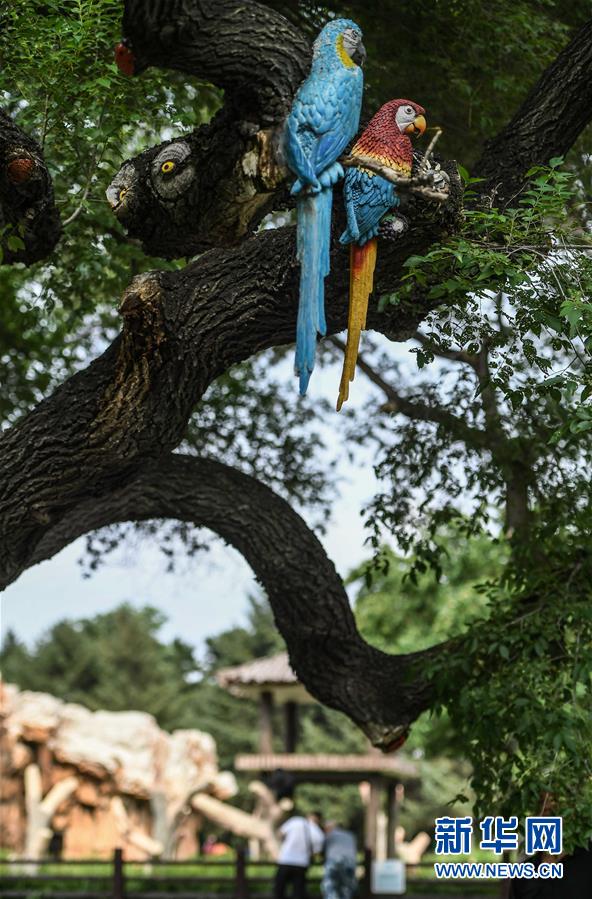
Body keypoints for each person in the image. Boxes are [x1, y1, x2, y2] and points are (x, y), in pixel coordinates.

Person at [274, 811, 325, 899]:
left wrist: (284, 843)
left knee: (280, 890)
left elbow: (280, 833)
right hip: (302, 863)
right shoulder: (319, 834)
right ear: (319, 820)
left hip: (286, 860)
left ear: (309, 816)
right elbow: (316, 853)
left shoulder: (296, 821)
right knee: (298, 892)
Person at [322, 822, 358, 899]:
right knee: (347, 888)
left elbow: (321, 848)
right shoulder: (350, 835)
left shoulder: (330, 835)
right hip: (350, 862)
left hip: (334, 861)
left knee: (330, 886)